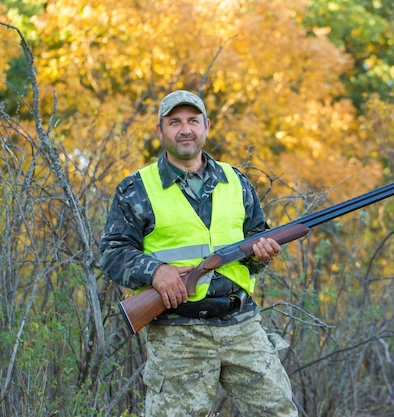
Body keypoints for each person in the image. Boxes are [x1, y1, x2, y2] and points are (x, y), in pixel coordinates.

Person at [100, 90, 299, 417]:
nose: (185, 129)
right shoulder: (136, 188)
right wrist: (155, 272)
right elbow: (112, 253)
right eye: (174, 122)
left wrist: (261, 255)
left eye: (193, 120)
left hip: (242, 324)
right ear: (160, 130)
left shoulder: (235, 181)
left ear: (206, 126)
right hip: (179, 333)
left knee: (279, 412)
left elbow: (254, 243)